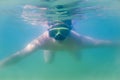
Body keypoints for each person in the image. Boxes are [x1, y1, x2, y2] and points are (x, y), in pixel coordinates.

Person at [0, 4, 118, 68]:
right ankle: (51, 50)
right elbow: (20, 55)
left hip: (73, 44)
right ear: (48, 30)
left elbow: (106, 43)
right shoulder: (41, 41)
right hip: (49, 46)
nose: (58, 35)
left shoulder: (80, 41)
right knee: (48, 62)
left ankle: (71, 50)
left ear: (70, 30)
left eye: (63, 31)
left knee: (77, 58)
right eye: (54, 32)